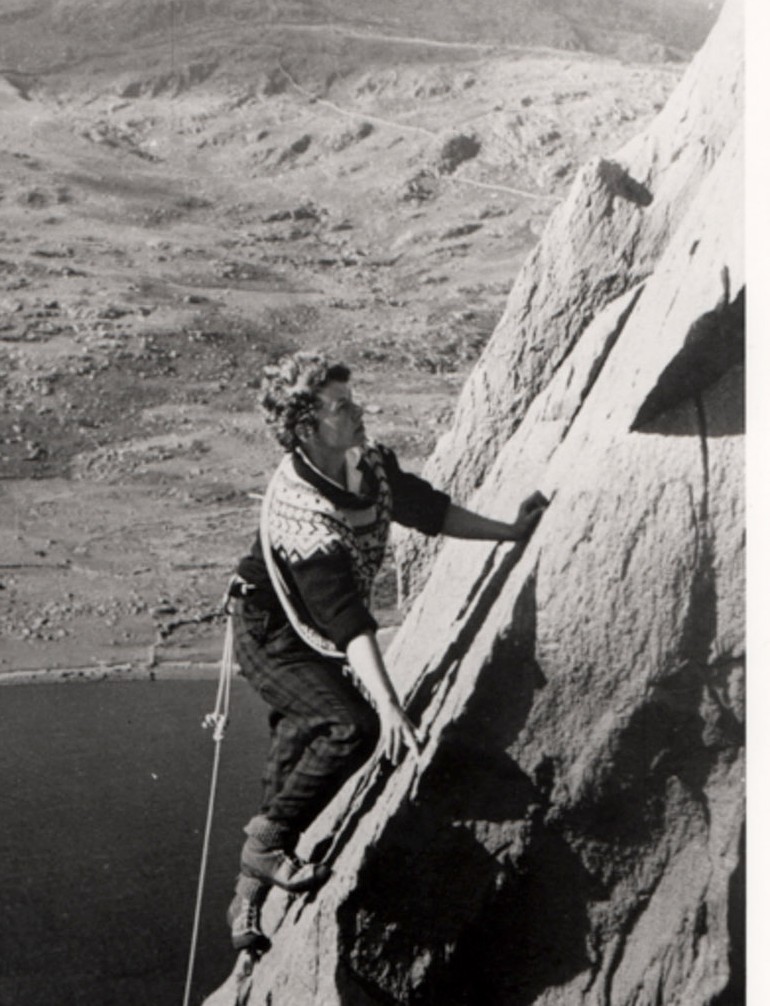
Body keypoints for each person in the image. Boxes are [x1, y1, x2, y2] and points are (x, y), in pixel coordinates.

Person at [225, 351, 547, 954]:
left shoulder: (363, 465)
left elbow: (428, 510)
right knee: (350, 726)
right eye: (341, 408)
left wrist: (509, 530)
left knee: (298, 746)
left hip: (314, 624)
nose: (358, 412)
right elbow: (345, 617)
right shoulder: (302, 510)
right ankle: (262, 854)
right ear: (304, 427)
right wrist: (391, 704)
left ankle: (248, 887)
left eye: (353, 400)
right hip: (270, 629)